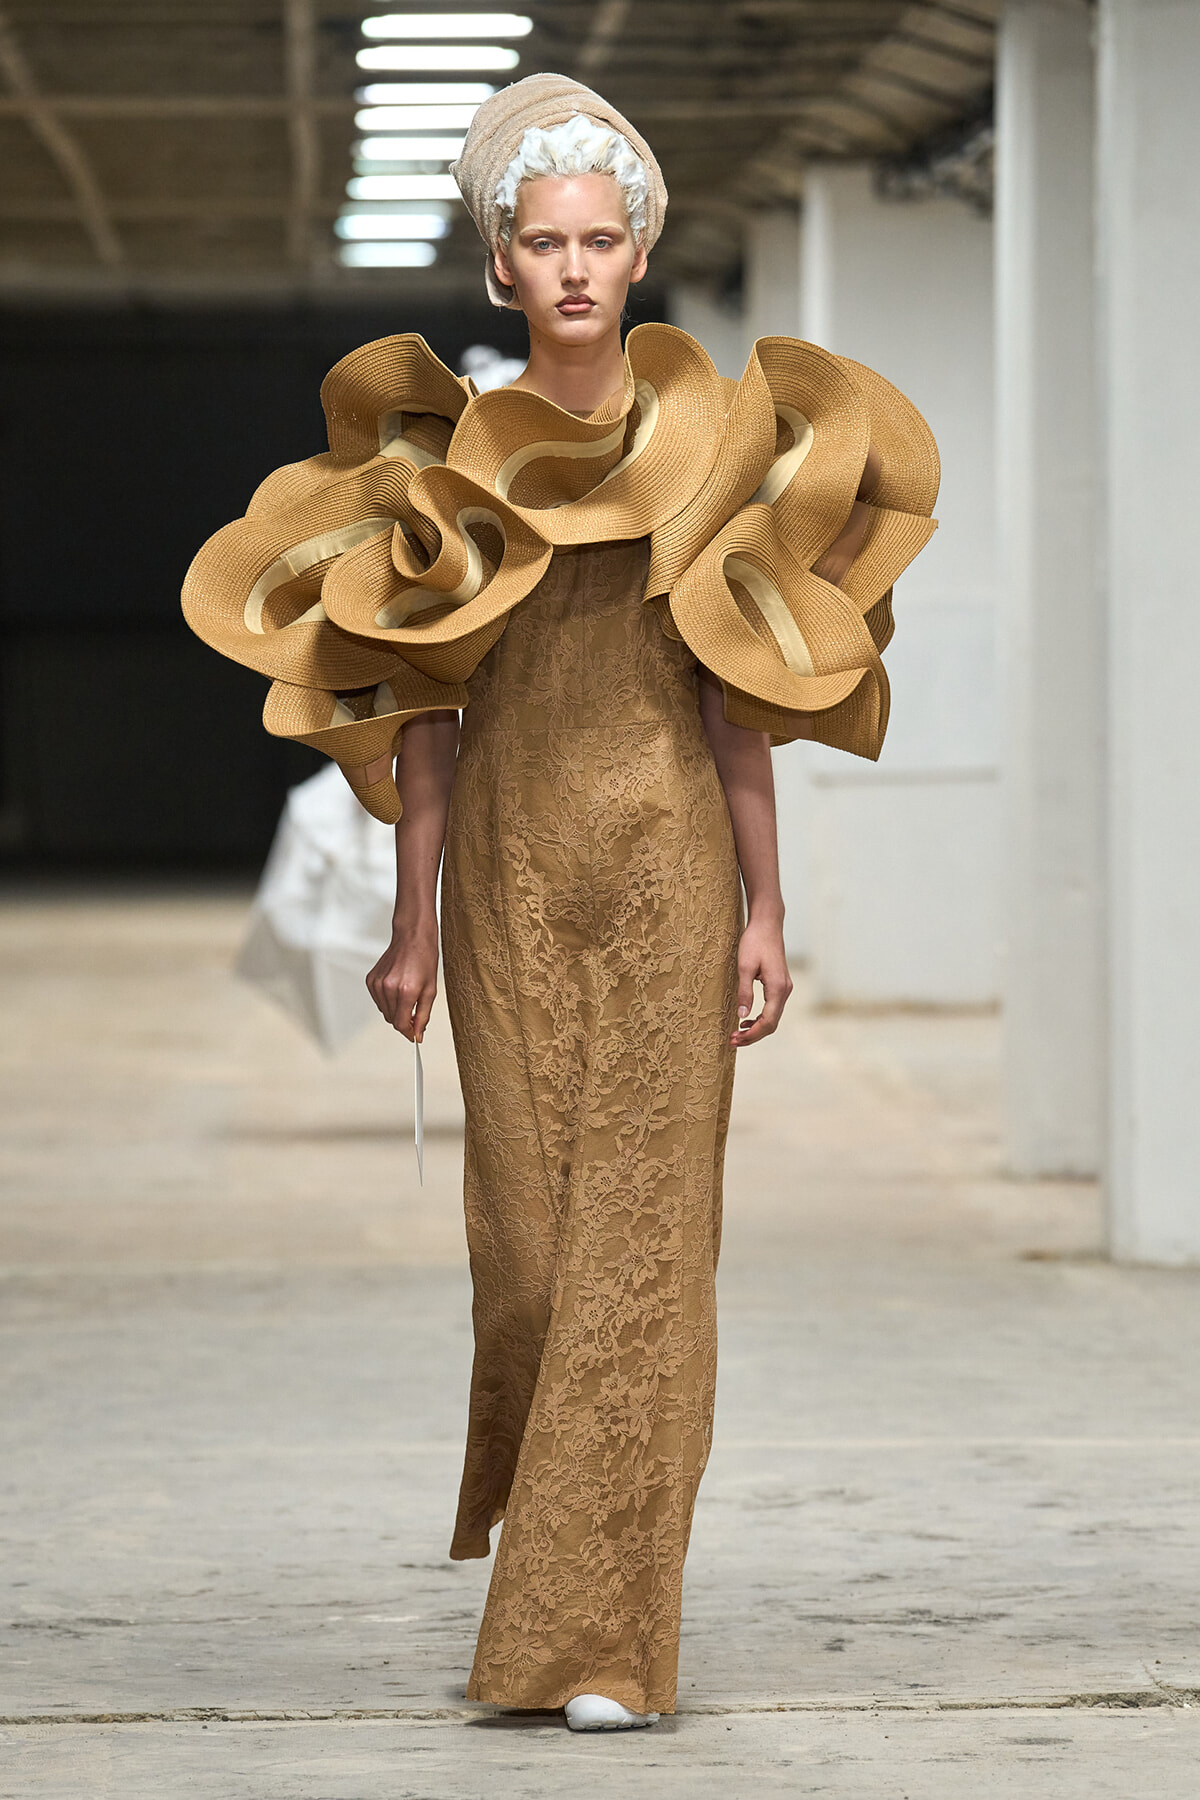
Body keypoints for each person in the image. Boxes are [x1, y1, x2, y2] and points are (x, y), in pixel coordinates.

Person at [182, 71, 938, 1735]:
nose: (580, 266)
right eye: (548, 241)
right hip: (510, 891)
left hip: (672, 874)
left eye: (605, 238)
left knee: (643, 1257)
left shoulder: (713, 456)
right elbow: (427, 719)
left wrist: (767, 905)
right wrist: (406, 913)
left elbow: (741, 693)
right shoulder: (449, 472)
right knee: (527, 1260)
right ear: (501, 267)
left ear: (641, 248)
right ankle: (570, 1546)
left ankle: (595, 1641)